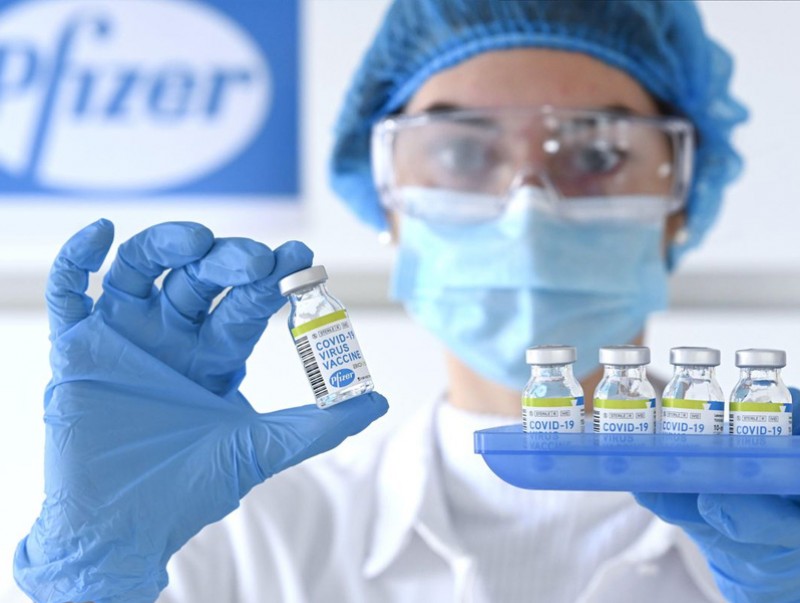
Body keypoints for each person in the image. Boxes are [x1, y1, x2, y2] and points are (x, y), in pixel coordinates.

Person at [12, 1, 800, 602]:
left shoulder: (783, 533)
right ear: (388, 201)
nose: (527, 208)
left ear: (680, 200)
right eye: (460, 150)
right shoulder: (239, 539)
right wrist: (94, 580)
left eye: (597, 153)